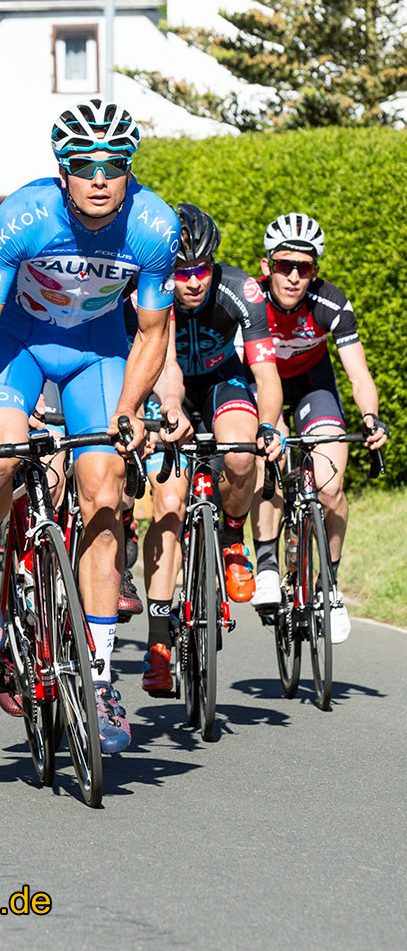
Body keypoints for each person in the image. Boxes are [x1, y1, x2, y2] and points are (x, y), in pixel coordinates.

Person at [0, 98, 180, 754]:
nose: (99, 178)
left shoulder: (155, 227)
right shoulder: (24, 215)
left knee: (103, 490)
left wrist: (128, 409)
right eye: (84, 165)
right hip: (19, 343)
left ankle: (100, 679)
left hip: (96, 352)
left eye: (113, 165)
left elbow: (155, 333)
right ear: (63, 170)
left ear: (128, 170)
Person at [137, 203, 284, 694]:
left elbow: (265, 373)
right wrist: (170, 410)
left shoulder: (239, 289)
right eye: (183, 272)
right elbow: (163, 367)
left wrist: (268, 426)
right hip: (169, 388)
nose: (193, 281)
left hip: (224, 384)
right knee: (169, 504)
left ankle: (233, 540)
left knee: (242, 452)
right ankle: (159, 643)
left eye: (201, 269)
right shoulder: (152, 290)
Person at [250, 212, 388, 643]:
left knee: (329, 486)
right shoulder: (250, 301)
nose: (292, 277)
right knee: (264, 460)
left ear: (315, 272)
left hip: (313, 384)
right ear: (266, 266)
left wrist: (370, 417)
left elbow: (359, 375)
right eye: (283, 265)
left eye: (303, 268)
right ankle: (269, 564)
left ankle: (329, 584)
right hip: (260, 383)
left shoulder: (331, 303)